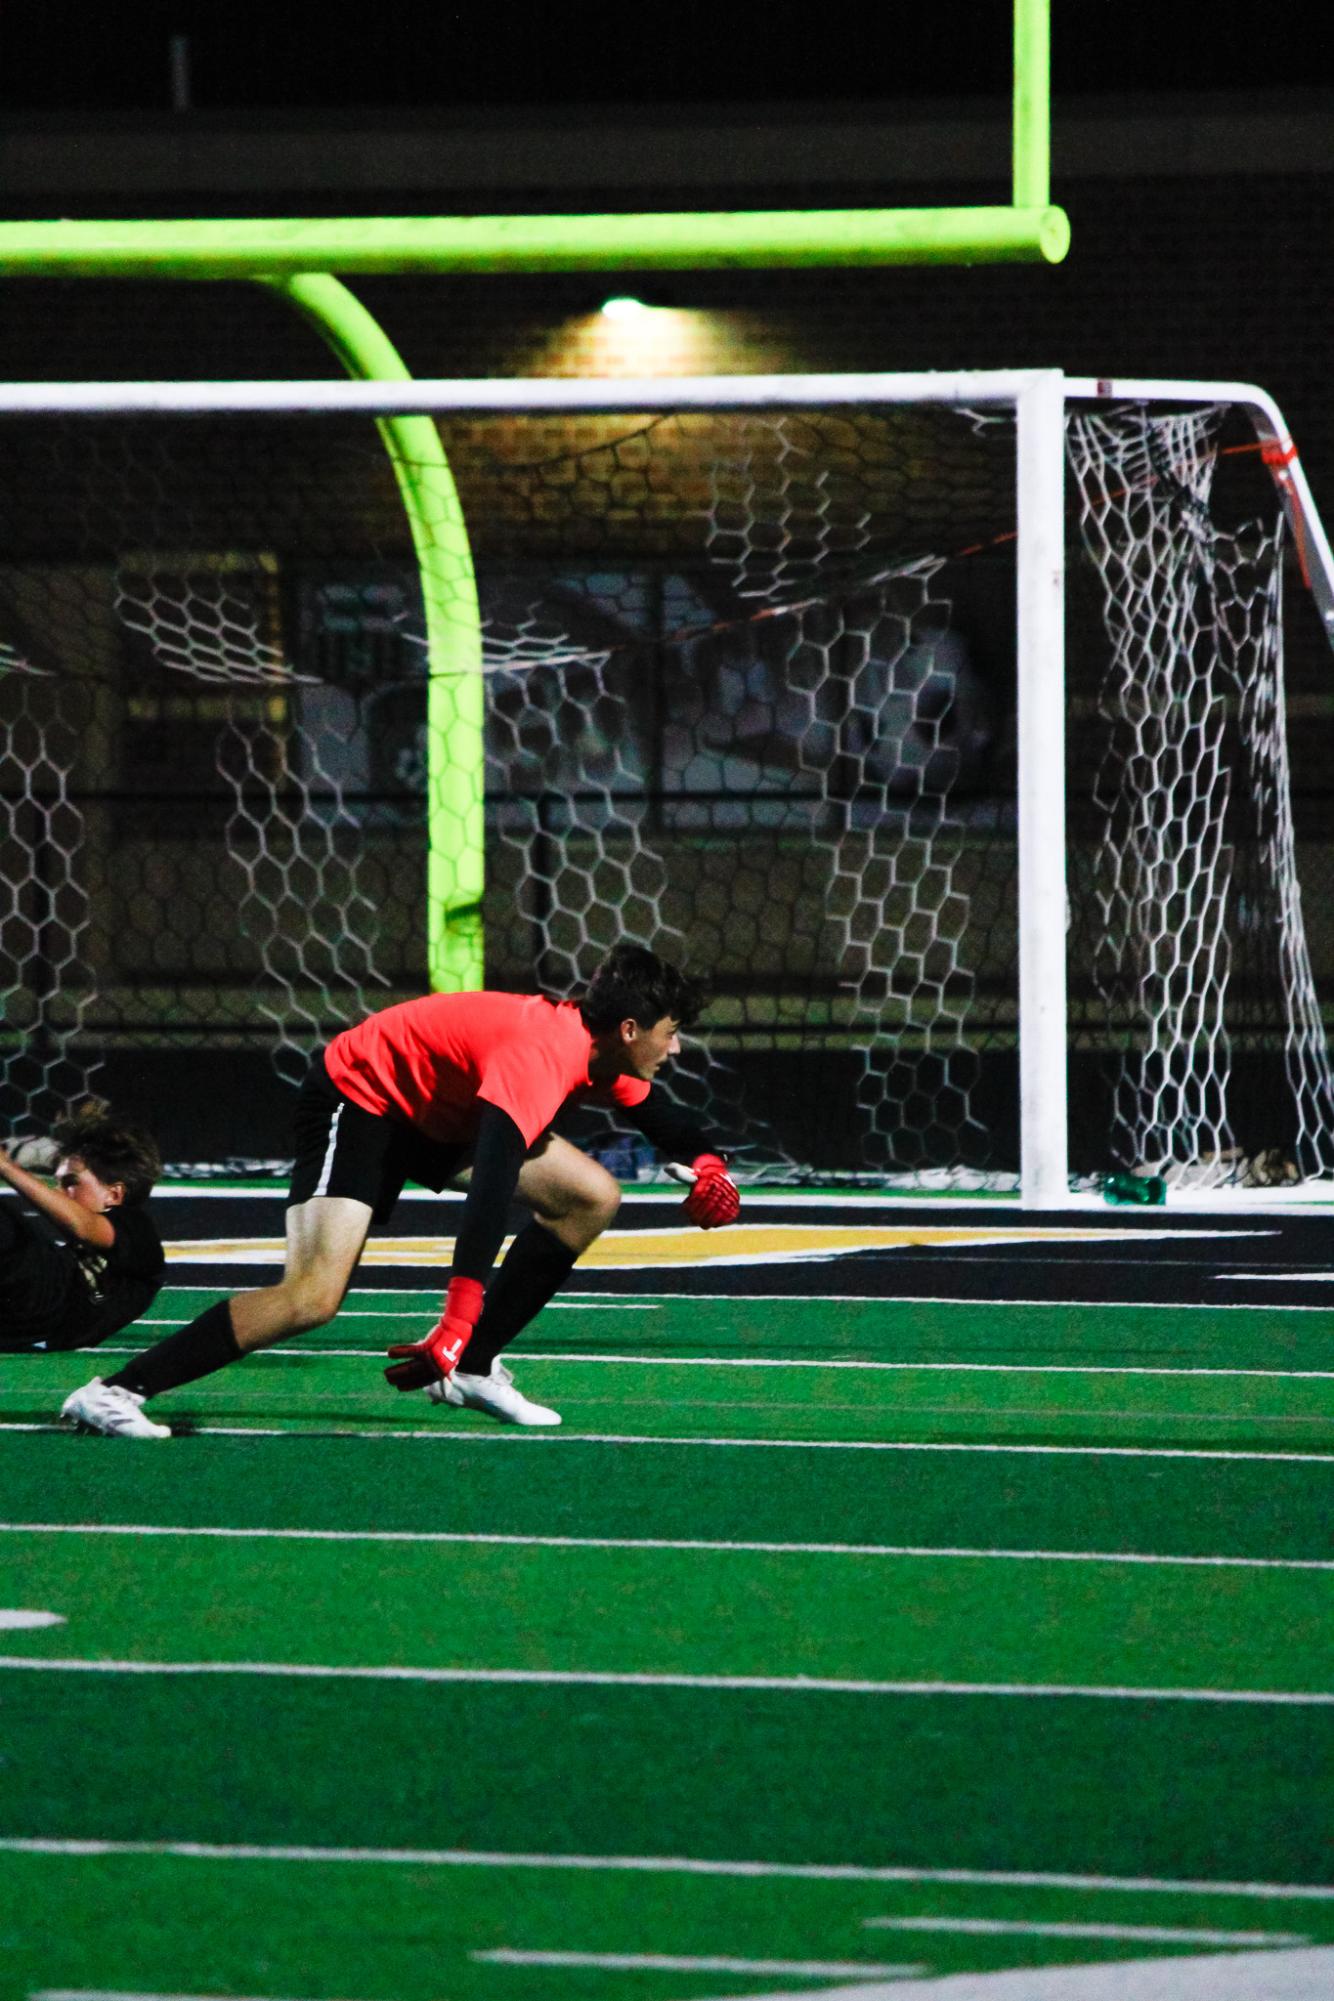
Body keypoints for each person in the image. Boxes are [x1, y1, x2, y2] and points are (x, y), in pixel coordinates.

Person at [60, 943, 740, 1439]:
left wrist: (710, 1164)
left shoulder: (593, 1046)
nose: (675, 1048)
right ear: (629, 1031)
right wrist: (456, 1312)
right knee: (311, 1297)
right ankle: (115, 1391)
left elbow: (661, 1116)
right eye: (671, 1032)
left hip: (433, 1113)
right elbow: (493, 1189)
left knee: (590, 1196)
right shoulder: (542, 1054)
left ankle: (471, 1369)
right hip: (360, 1101)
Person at [0, 1100, 164, 1354]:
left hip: (45, 1303)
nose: (59, 1193)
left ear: (114, 1194)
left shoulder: (138, 1232)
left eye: (70, 1182)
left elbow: (84, 1227)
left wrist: (6, 1166)